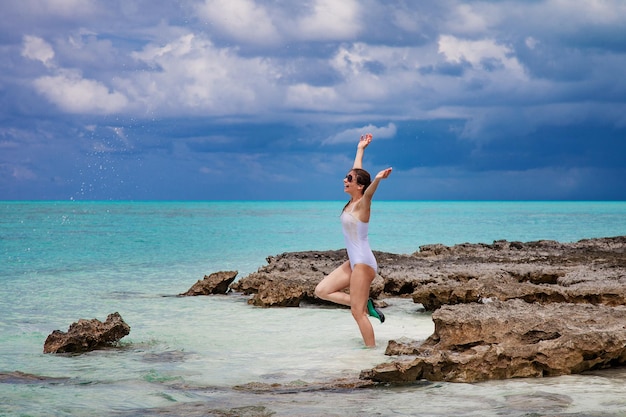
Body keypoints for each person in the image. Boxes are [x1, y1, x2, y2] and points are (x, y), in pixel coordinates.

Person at [314, 133, 392, 347]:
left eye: (349, 179)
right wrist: (361, 149)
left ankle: (371, 354)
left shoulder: (362, 205)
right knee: (321, 291)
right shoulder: (351, 201)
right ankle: (365, 304)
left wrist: (376, 179)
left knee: (357, 314)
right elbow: (357, 172)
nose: (344, 180)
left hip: (364, 264)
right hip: (353, 262)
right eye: (346, 177)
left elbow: (368, 193)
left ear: (359, 186)